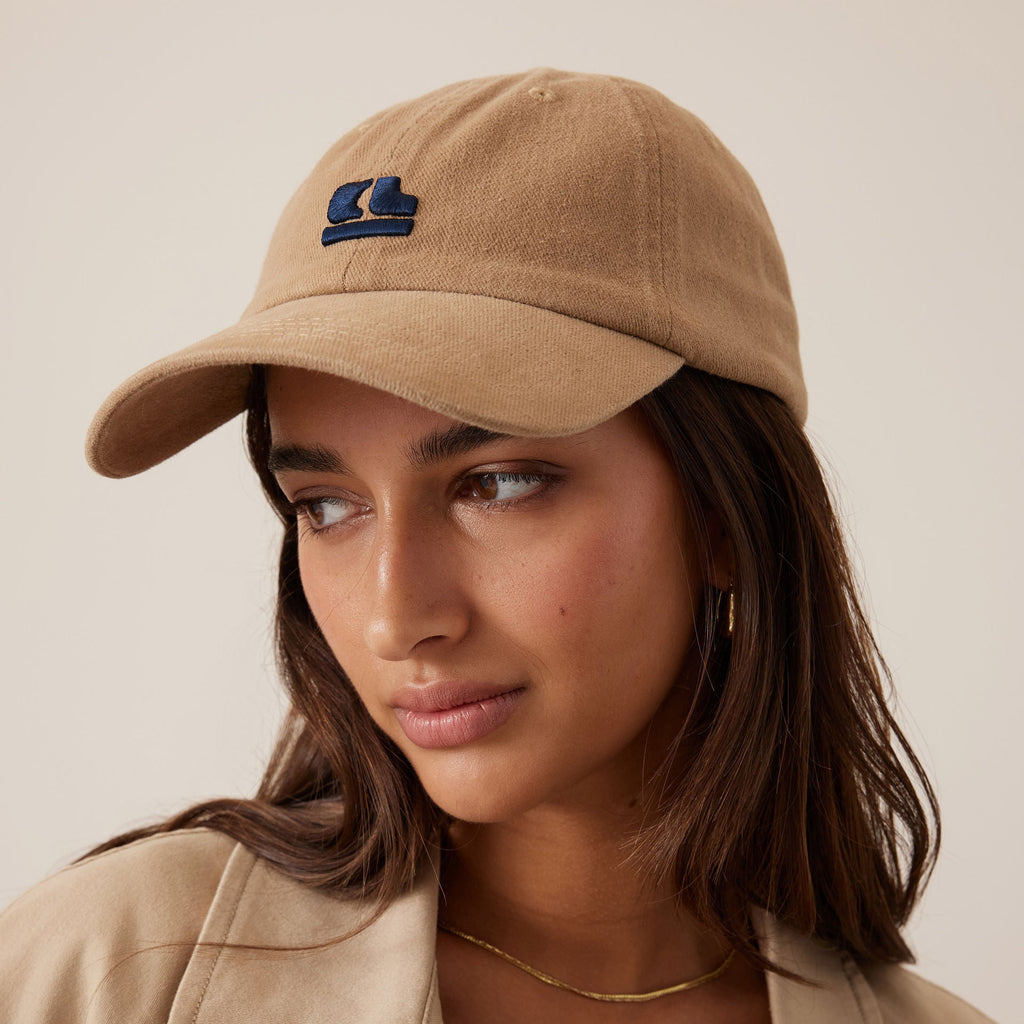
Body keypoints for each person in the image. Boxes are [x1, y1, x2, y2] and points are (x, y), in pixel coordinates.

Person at [0, 68, 996, 1023]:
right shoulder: (109, 974)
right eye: (326, 504)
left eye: (496, 484)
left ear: (727, 520)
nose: (396, 616)